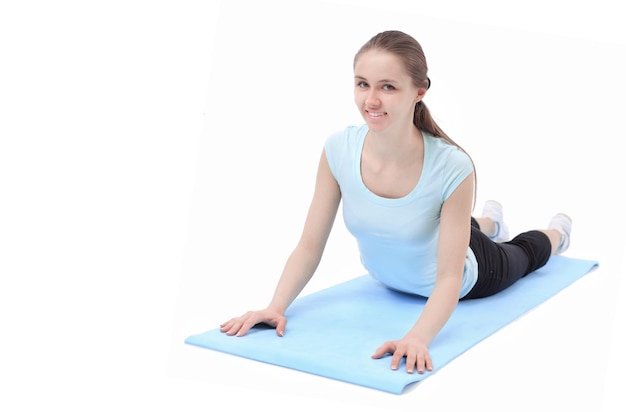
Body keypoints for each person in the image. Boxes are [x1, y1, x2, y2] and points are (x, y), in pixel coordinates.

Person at [219, 30, 572, 375]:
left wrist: (419, 337)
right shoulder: (338, 150)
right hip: (396, 271)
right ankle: (488, 222)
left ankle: (556, 234)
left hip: (471, 275)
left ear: (419, 91)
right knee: (446, 225)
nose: (371, 100)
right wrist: (275, 306)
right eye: (362, 84)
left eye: (388, 87)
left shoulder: (452, 166)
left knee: (523, 254)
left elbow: (449, 276)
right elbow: (310, 246)